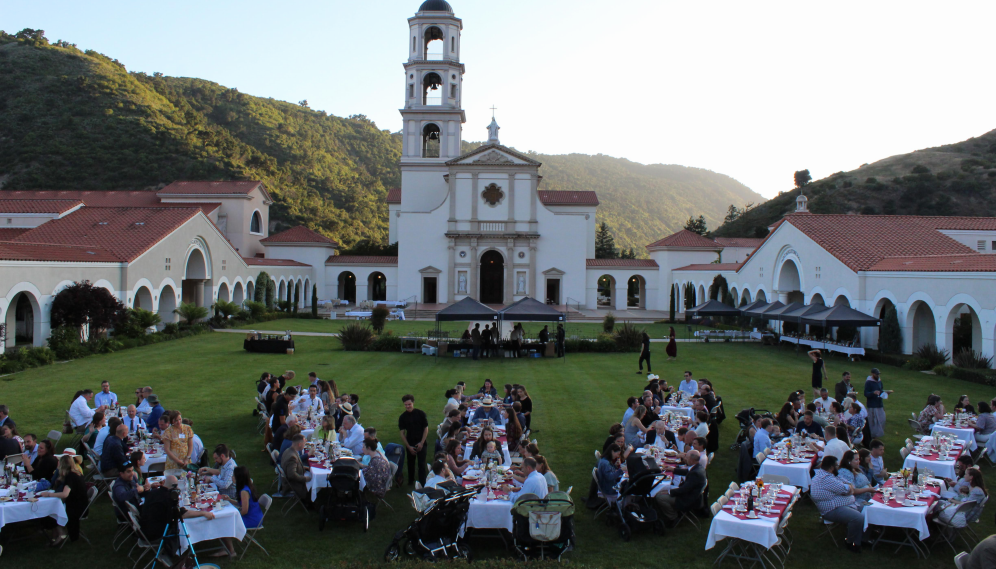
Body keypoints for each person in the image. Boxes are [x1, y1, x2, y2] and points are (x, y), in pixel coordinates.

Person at [139, 474, 216, 555]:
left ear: (163, 482)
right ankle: (186, 553)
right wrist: (203, 513)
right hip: (156, 534)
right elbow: (183, 514)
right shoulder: (168, 498)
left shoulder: (153, 492)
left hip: (143, 529)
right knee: (183, 526)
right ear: (175, 487)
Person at [810, 456, 867, 552]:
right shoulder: (826, 479)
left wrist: (848, 488)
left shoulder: (830, 475)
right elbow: (847, 489)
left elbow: (849, 485)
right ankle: (851, 542)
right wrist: (848, 489)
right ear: (832, 467)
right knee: (858, 518)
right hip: (832, 510)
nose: (838, 467)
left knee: (867, 508)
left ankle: (863, 538)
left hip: (843, 504)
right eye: (837, 465)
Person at [38, 453, 89, 545]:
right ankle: (56, 535)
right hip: (80, 504)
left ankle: (60, 533)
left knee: (50, 511)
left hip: (76, 508)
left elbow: (65, 494)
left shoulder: (71, 476)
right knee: (52, 509)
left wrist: (48, 494)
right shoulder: (76, 473)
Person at [215, 466, 264, 558]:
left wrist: (234, 516)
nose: (232, 477)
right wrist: (230, 500)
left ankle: (230, 551)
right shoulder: (246, 487)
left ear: (238, 478)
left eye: (233, 476)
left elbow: (244, 510)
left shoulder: (244, 491)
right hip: (255, 516)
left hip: (252, 519)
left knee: (225, 523)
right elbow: (242, 503)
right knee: (226, 520)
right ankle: (226, 548)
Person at [654, 450, 706, 524]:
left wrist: (669, 492)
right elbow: (687, 472)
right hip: (691, 495)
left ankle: (673, 517)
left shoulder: (695, 474)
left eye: (686, 457)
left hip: (687, 499)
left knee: (660, 497)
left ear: (691, 460)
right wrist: (673, 469)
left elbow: (684, 489)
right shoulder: (698, 467)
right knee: (663, 490)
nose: (685, 459)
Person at [399, 394, 429, 485]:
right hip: (410, 441)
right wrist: (408, 447)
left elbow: (425, 429)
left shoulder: (420, 414)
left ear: (413, 403)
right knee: (410, 463)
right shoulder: (403, 417)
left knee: (421, 464)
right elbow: (402, 433)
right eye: (406, 405)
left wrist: (422, 443)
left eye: (409, 404)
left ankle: (422, 482)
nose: (407, 406)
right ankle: (411, 481)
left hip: (421, 441)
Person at [280, 434, 313, 509]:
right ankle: (308, 502)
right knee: (313, 479)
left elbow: (294, 467)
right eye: (304, 443)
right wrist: (306, 479)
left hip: (294, 478)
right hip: (294, 484)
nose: (305, 445)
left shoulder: (289, 450)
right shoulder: (292, 456)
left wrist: (305, 468)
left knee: (311, 475)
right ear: (299, 444)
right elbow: (292, 475)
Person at [863, 368, 892, 439]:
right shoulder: (869, 382)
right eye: (876, 374)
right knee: (873, 421)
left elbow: (881, 390)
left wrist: (886, 392)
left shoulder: (879, 381)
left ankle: (877, 434)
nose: (878, 375)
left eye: (878, 374)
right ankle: (872, 435)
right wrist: (873, 393)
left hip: (879, 404)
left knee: (882, 419)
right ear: (872, 374)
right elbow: (866, 393)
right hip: (872, 405)